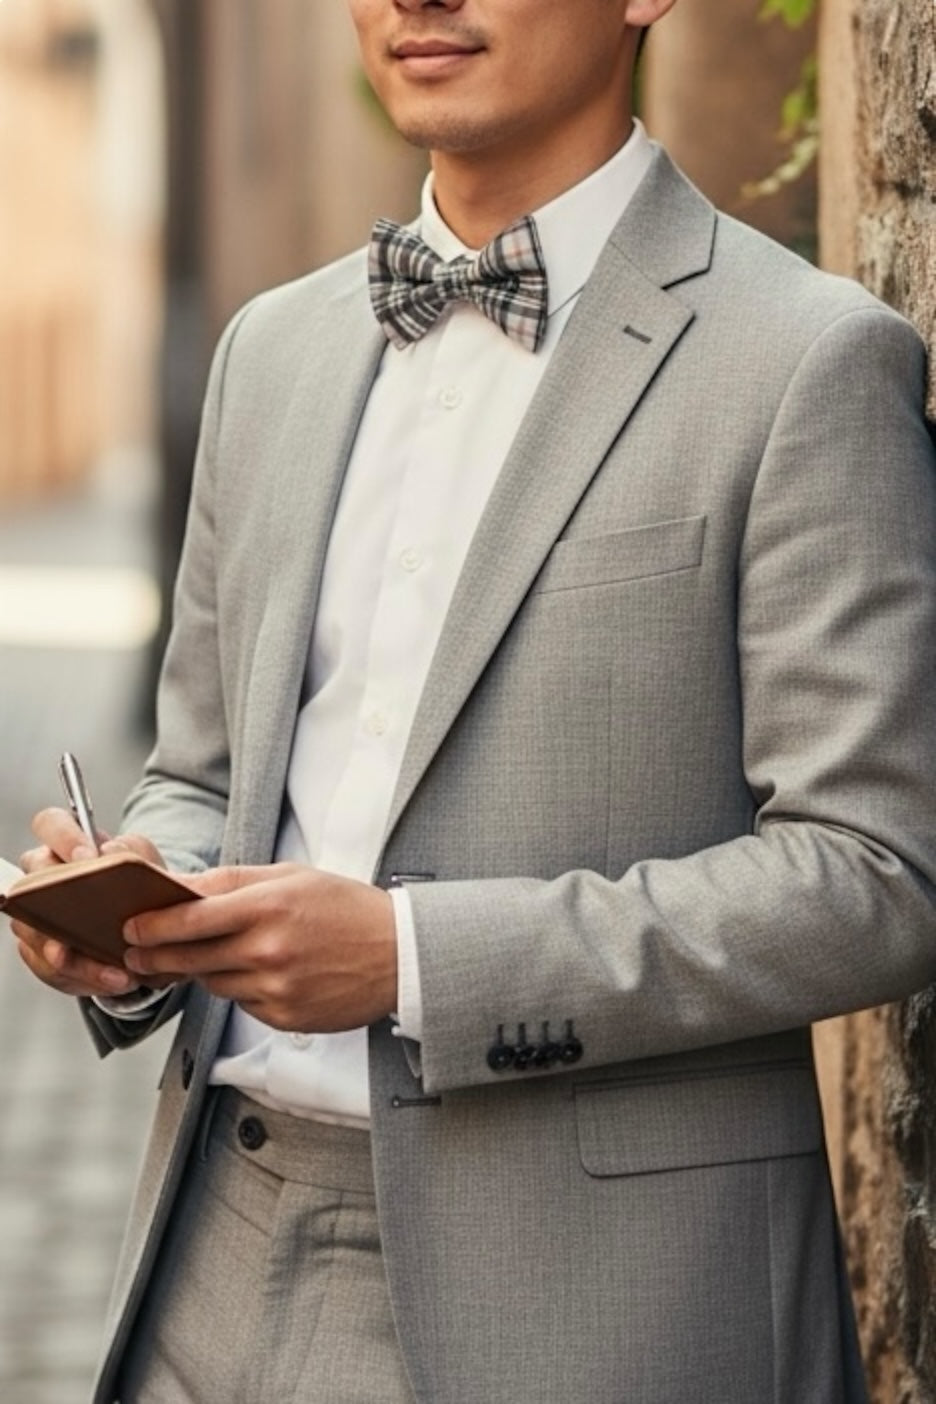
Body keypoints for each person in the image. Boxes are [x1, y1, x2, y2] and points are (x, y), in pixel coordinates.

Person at [14, 0, 936, 1399]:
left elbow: (875, 876)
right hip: (215, 1249)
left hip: (601, 1299)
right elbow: (199, 773)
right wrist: (141, 904)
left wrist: (414, 961)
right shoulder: (271, 351)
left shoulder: (806, 361)